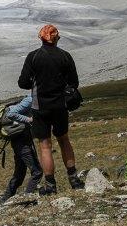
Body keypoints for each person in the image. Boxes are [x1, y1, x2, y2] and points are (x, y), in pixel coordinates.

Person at [18, 23, 82, 194]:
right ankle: (74, 179)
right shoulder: (65, 56)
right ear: (57, 38)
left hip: (40, 107)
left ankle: (51, 185)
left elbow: (23, 83)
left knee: (45, 145)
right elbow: (74, 83)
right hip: (60, 106)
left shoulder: (33, 57)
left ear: (41, 38)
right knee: (64, 140)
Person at [0, 94, 43, 203]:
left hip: (19, 139)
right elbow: (11, 114)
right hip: (21, 140)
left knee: (19, 173)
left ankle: (4, 200)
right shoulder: (31, 99)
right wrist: (29, 119)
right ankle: (27, 197)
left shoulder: (34, 98)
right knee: (37, 172)